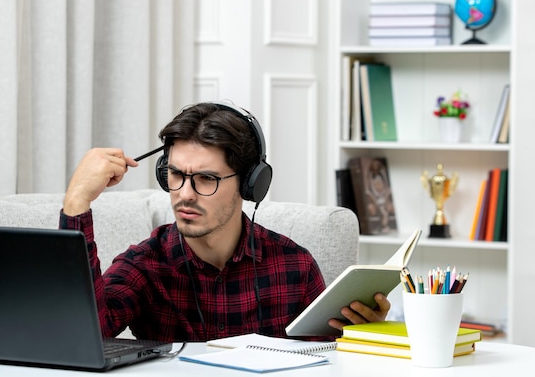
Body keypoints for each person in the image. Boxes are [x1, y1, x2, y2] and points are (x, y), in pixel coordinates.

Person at [60, 102, 390, 342]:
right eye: (175, 174)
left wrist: (365, 336)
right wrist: (77, 202)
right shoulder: (145, 265)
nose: (184, 194)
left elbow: (329, 365)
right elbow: (76, 335)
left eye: (206, 178)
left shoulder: (295, 266)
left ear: (249, 184)